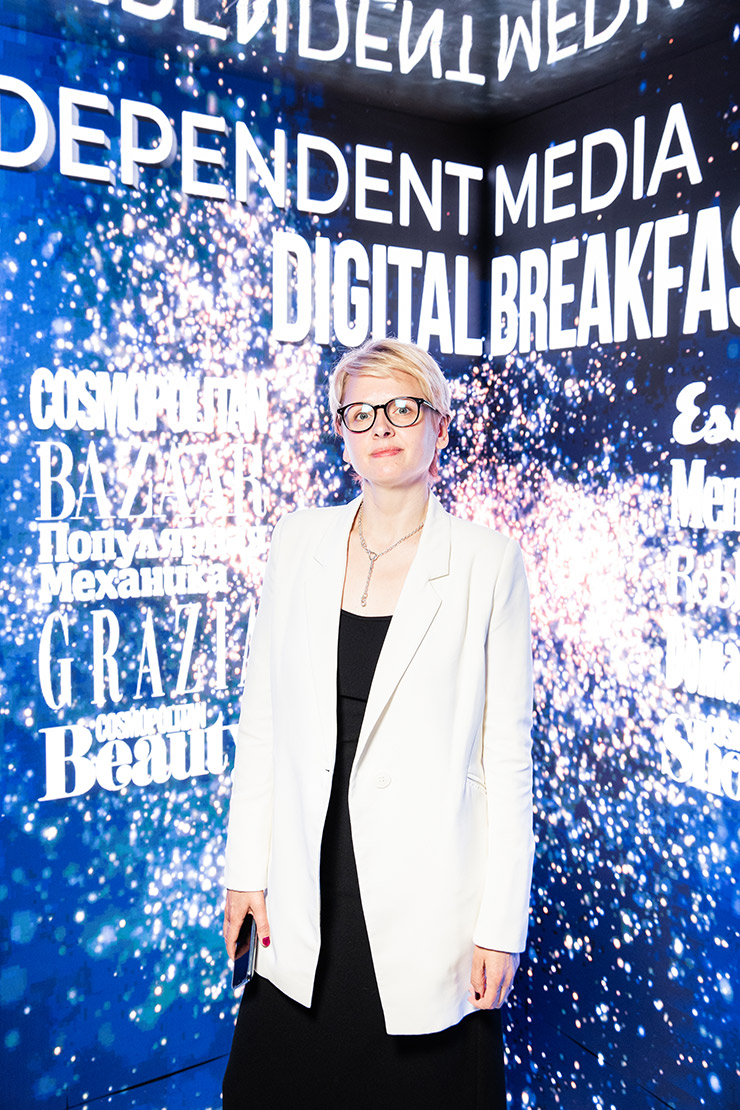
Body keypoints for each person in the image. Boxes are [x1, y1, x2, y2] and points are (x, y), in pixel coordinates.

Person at [222, 338, 534, 1109]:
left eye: (401, 407)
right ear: (341, 432)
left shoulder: (490, 562)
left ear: (440, 426)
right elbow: (261, 720)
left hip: (428, 895)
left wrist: (501, 925)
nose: (380, 427)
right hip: (306, 880)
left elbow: (507, 759)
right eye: (358, 413)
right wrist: (245, 868)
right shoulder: (297, 540)